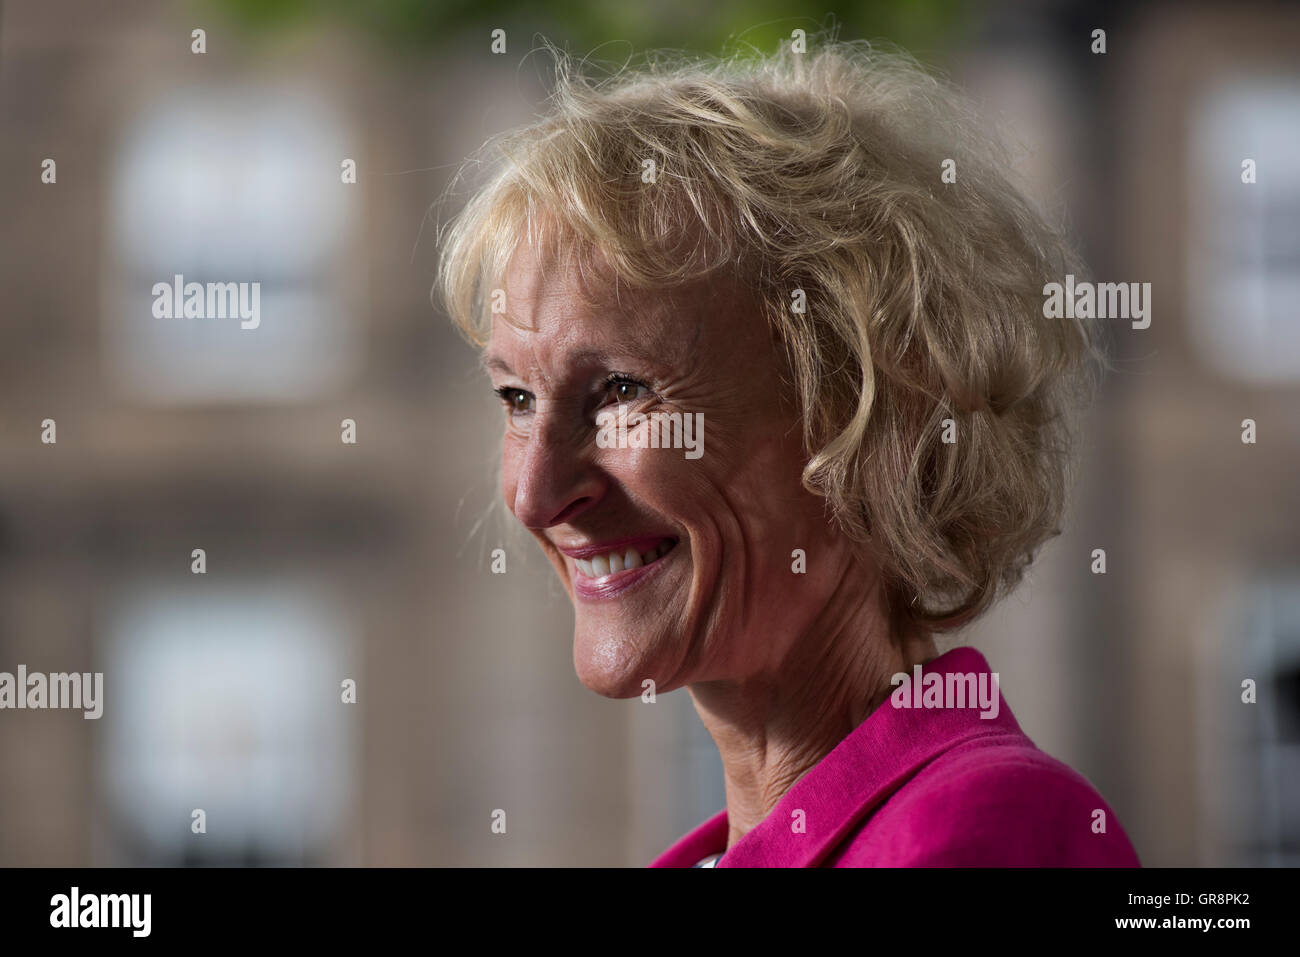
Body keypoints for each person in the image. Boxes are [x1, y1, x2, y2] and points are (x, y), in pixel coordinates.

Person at [436, 36, 1139, 867]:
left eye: (623, 390)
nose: (534, 493)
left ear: (869, 415)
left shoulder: (982, 830)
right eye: (516, 397)